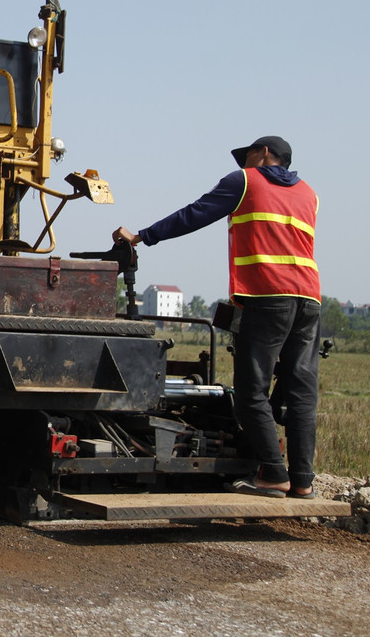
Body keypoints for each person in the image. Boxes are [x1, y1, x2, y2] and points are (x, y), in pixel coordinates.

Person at [112, 135, 321, 499]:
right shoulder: (309, 194)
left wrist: (142, 237)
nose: (244, 163)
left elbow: (196, 213)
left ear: (266, 154)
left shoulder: (244, 181)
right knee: (301, 395)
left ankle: (273, 475)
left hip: (267, 296)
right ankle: (302, 480)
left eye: (249, 156)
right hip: (309, 300)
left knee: (251, 393)